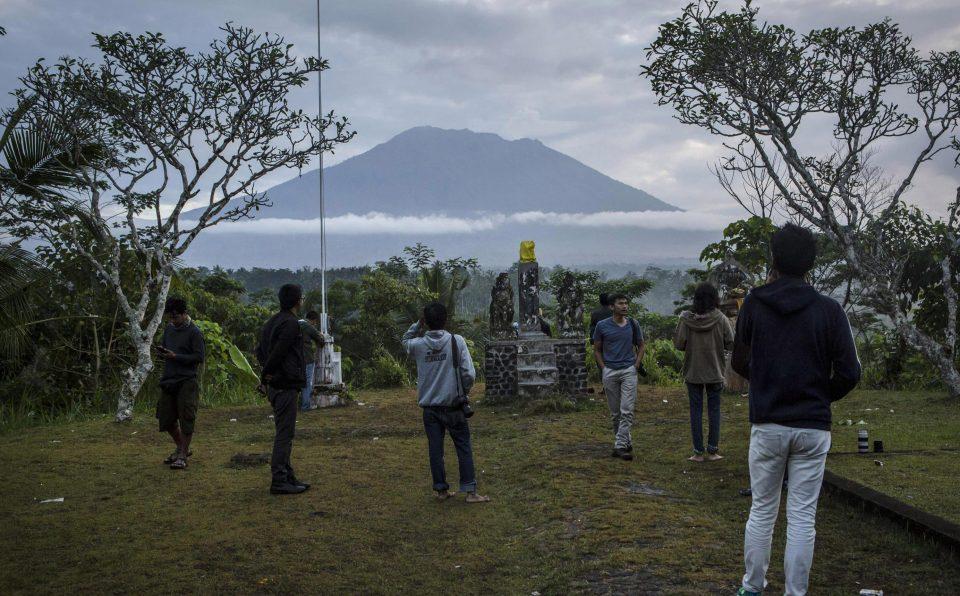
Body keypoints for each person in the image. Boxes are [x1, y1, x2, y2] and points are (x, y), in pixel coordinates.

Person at [732, 224, 861, 596]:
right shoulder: (829, 310)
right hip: (812, 425)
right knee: (803, 516)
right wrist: (819, 395)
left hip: (769, 423)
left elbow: (740, 362)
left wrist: (770, 384)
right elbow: (850, 372)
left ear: (774, 259)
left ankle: (752, 587)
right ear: (811, 264)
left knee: (762, 511)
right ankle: (795, 592)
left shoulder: (755, 304)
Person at [402, 302, 490, 503]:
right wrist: (463, 391)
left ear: (427, 321)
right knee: (463, 446)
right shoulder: (456, 341)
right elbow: (469, 373)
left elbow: (405, 340)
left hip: (430, 409)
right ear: (445, 319)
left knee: (435, 449)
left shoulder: (418, 345)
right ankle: (470, 492)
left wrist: (417, 325)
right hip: (454, 405)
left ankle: (441, 490)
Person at [256, 284, 311, 495]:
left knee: (284, 431)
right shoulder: (291, 324)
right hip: (285, 384)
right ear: (298, 301)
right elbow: (278, 353)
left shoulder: (272, 322)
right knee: (285, 434)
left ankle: (288, 476)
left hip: (277, 384)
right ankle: (279, 479)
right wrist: (269, 375)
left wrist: (267, 376)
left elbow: (260, 351)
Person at [674, 282, 734, 462]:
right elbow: (730, 342)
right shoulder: (721, 318)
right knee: (714, 410)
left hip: (693, 371)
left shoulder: (685, 319)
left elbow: (679, 344)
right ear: (715, 298)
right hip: (715, 370)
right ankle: (713, 451)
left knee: (696, 411)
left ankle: (698, 452)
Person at [592, 294, 645, 461]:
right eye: (620, 303)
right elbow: (597, 349)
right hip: (610, 372)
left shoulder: (633, 324)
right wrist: (604, 368)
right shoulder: (602, 326)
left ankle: (620, 446)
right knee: (615, 413)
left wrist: (636, 365)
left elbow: (641, 345)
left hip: (628, 370)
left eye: (626, 303)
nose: (624, 306)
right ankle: (625, 441)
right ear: (611, 307)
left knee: (627, 410)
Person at [155, 297, 205, 470]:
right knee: (165, 418)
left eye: (175, 317)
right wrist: (163, 354)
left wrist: (176, 357)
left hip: (187, 380)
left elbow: (199, 357)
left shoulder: (194, 332)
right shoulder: (169, 330)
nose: (172, 320)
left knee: (187, 418)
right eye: (170, 317)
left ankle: (183, 455)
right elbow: (165, 347)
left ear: (185, 314)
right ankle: (181, 447)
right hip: (169, 379)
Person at [299, 310, 325, 411]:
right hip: (307, 358)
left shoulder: (296, 323)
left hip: (296, 359)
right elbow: (320, 341)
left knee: (300, 382)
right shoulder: (308, 326)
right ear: (313, 320)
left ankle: (300, 403)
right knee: (307, 382)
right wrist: (321, 335)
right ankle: (306, 406)